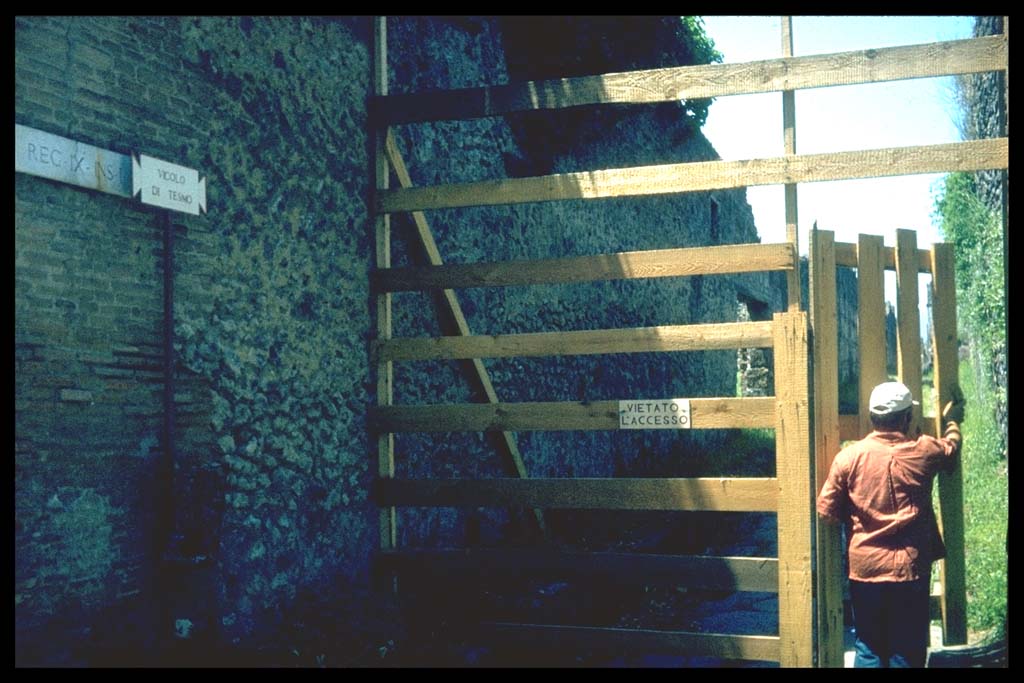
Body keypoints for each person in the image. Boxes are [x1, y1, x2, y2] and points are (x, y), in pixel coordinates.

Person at [817, 381, 966, 668]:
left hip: (865, 569)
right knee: (906, 651)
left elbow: (826, 511)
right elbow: (952, 448)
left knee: (868, 647)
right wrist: (952, 421)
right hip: (910, 569)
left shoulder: (848, 458)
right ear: (907, 418)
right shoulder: (923, 451)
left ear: (872, 417)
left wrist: (858, 515)